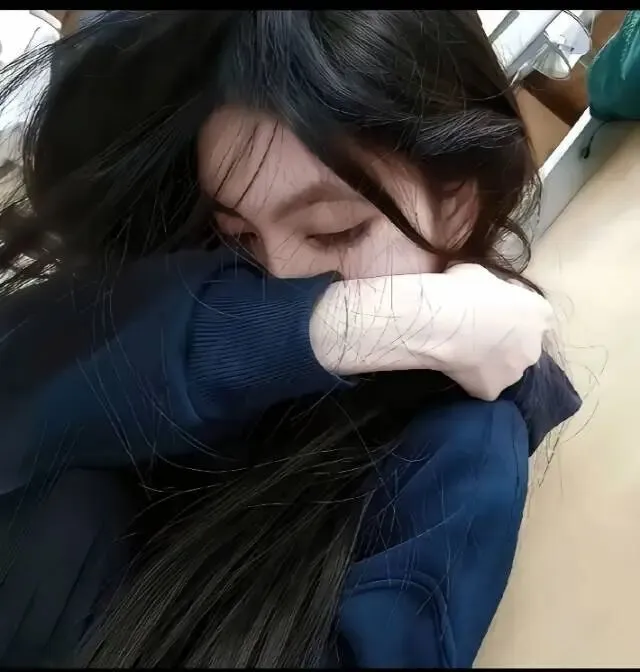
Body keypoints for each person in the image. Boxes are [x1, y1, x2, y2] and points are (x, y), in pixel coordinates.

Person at [0, 10, 580, 668]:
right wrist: (338, 328)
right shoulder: (199, 282)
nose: (278, 277)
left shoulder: (460, 455)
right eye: (241, 236)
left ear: (459, 206)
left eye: (333, 230)